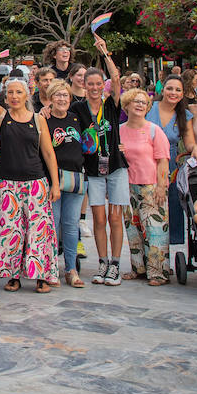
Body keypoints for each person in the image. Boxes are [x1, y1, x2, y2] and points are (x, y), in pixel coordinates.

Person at [0, 51, 60, 294]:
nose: (14, 96)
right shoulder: (2, 116)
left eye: (18, 92)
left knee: (39, 231)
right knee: (9, 231)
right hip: (7, 183)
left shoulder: (38, 120)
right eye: (10, 92)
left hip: (36, 182)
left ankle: (41, 276)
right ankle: (12, 275)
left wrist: (55, 184)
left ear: (27, 95)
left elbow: (48, 154)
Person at [72, 37, 128, 285]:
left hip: (115, 166)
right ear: (83, 85)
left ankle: (115, 264)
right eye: (90, 84)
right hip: (93, 170)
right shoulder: (78, 109)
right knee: (98, 218)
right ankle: (102, 262)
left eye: (98, 84)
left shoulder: (111, 105)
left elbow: (116, 80)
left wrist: (105, 52)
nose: (94, 88)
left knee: (115, 217)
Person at [118, 89, 171, 285]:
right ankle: (138, 268)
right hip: (127, 185)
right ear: (127, 106)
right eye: (135, 102)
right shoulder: (120, 130)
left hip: (151, 185)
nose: (140, 105)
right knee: (133, 229)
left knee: (155, 229)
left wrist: (161, 186)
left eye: (143, 102)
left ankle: (158, 272)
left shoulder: (154, 130)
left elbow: (163, 160)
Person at [43, 79, 87, 287]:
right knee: (52, 225)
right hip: (54, 179)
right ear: (50, 99)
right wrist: (53, 182)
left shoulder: (76, 118)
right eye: (57, 95)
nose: (62, 99)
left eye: (65, 95)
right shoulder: (45, 120)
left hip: (76, 178)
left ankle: (71, 268)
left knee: (71, 226)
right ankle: (51, 267)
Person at [147, 75, 191, 248]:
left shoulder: (184, 115)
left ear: (182, 94)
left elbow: (189, 141)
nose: (173, 92)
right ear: (162, 90)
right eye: (170, 88)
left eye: (178, 90)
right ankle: (150, 252)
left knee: (172, 205)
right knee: (150, 206)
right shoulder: (150, 107)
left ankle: (169, 253)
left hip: (171, 162)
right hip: (147, 160)